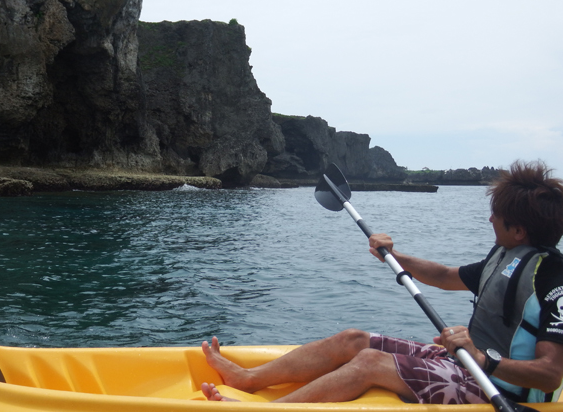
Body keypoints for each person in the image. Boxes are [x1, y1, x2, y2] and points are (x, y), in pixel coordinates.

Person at [201, 160, 563, 404]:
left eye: (495, 216)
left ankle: (268, 411)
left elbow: (550, 376)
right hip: (467, 362)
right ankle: (248, 380)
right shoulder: (505, 254)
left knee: (370, 362)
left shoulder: (552, 279)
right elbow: (446, 276)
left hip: (498, 388)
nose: (488, 221)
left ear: (519, 230)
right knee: (353, 339)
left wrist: (485, 360)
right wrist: (393, 255)